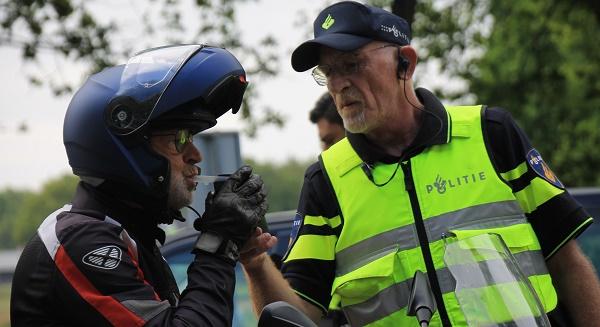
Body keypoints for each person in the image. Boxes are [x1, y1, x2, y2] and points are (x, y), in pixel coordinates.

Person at [241, 2, 600, 326]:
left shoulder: (490, 133)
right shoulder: (326, 181)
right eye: (327, 72)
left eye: (351, 65)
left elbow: (566, 261)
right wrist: (255, 263)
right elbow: (298, 318)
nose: (338, 85)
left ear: (405, 63)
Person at [10, 44, 268, 326]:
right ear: (129, 151)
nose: (196, 154)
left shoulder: (127, 237)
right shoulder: (81, 240)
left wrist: (230, 245)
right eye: (178, 139)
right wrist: (219, 241)